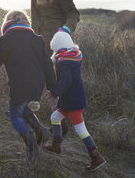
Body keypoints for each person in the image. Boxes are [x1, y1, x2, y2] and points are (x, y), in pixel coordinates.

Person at [0, 10, 56, 162]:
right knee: (24, 109)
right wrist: (52, 88)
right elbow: (48, 65)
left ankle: (32, 145)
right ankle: (42, 133)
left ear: (7, 23)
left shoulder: (7, 39)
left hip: (19, 85)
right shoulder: (37, 39)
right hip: (37, 86)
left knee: (14, 114)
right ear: (26, 23)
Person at [43, 28, 106, 171]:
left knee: (81, 130)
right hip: (71, 100)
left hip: (73, 102)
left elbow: (66, 81)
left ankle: (96, 157)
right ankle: (56, 145)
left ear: (57, 47)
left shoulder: (64, 61)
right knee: (55, 117)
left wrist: (54, 93)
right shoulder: (73, 56)